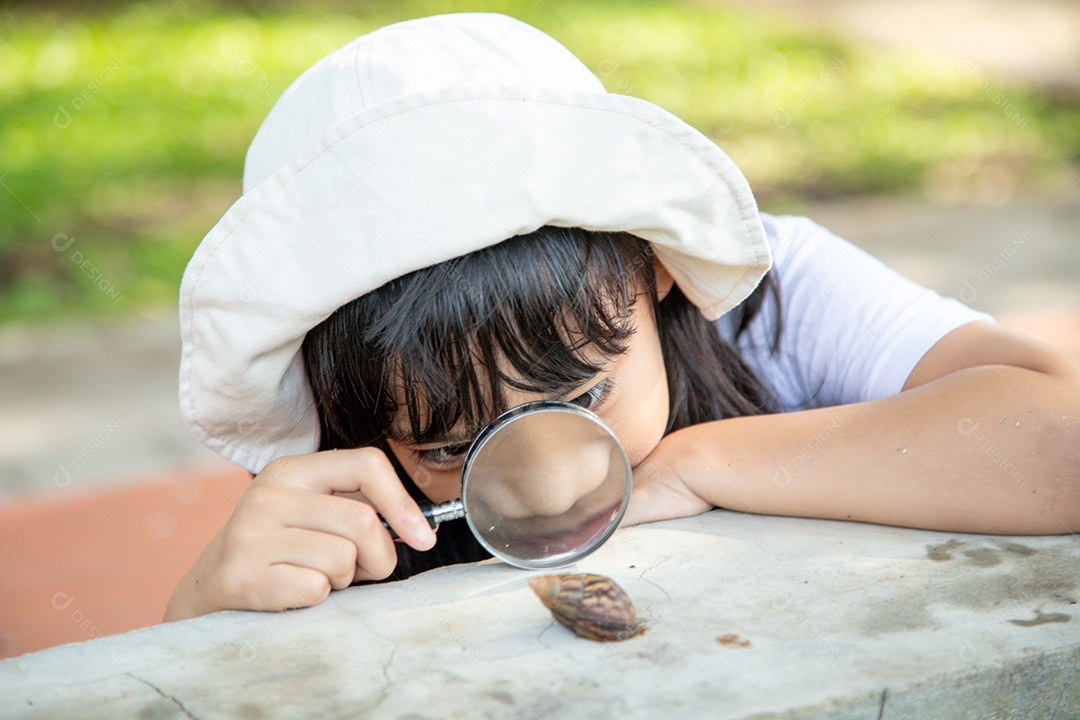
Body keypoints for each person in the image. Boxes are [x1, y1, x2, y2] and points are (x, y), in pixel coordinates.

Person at [165, 13, 1080, 622]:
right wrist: (204, 605)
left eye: (587, 394)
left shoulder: (775, 297)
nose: (550, 484)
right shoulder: (341, 470)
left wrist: (699, 464)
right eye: (447, 450)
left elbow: (1059, 440)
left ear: (658, 273)